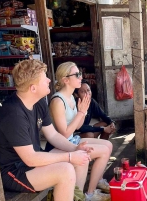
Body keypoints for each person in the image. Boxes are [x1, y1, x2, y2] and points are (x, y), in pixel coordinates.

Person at [0, 59, 93, 201]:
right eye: (44, 78)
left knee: (81, 156)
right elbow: (31, 159)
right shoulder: (12, 113)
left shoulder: (38, 102)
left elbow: (52, 135)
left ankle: (78, 198)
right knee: (66, 170)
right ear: (33, 88)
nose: (49, 80)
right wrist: (70, 157)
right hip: (13, 172)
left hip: (31, 161)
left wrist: (75, 148)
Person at [46, 62, 113, 201]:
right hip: (59, 145)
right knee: (101, 151)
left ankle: (90, 191)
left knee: (108, 145)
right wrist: (81, 112)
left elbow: (78, 126)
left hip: (71, 140)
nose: (80, 77)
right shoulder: (58, 101)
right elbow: (63, 133)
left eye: (80, 73)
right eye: (77, 74)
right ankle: (89, 194)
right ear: (65, 80)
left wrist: (83, 112)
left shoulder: (71, 97)